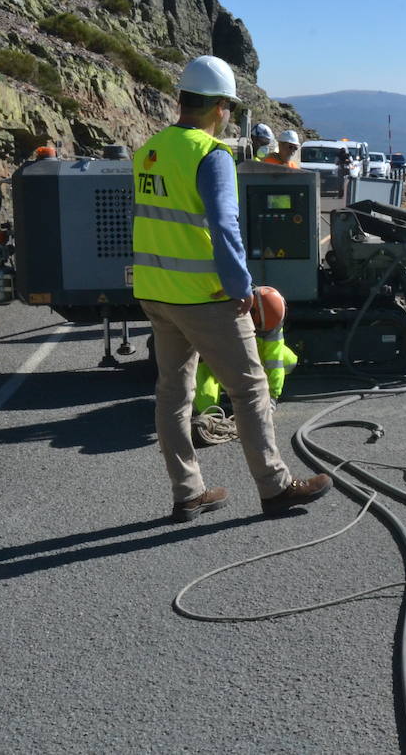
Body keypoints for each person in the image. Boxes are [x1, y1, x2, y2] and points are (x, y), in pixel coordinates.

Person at [131, 55, 331, 522]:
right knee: (250, 388)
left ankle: (188, 493)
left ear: (183, 100)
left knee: (173, 395)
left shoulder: (150, 150)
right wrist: (241, 286)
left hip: (156, 292)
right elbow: (225, 226)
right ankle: (276, 488)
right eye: (228, 108)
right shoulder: (210, 154)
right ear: (220, 106)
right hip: (205, 296)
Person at [194, 285, 298, 415]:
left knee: (287, 361)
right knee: (207, 409)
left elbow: (275, 362)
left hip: (244, 351)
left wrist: (272, 396)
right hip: (212, 359)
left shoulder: (273, 324)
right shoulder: (224, 313)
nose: (265, 334)